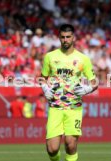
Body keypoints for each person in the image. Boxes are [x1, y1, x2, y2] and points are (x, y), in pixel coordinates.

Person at [40, 24, 98, 161]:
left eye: (68, 37)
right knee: (52, 149)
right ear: (59, 38)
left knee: (70, 145)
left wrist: (87, 89)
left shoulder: (83, 59)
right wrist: (45, 89)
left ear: (73, 38)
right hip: (55, 107)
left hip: (74, 107)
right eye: (62, 37)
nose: (65, 40)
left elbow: (94, 82)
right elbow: (42, 77)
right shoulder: (50, 56)